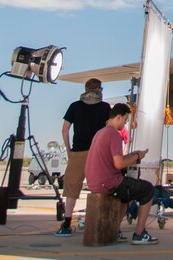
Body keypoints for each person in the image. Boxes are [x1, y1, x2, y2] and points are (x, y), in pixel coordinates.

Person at [84, 103, 158, 245]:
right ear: (118, 117)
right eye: (125, 120)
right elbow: (119, 163)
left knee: (125, 197)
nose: (125, 124)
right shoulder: (113, 135)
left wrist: (134, 155)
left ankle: (114, 230)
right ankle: (139, 233)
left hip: (95, 181)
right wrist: (137, 156)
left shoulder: (100, 133)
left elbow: (114, 159)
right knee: (148, 189)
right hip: (109, 183)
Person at [56, 77, 110, 236]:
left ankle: (66, 223)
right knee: (101, 188)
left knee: (72, 188)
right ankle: (102, 221)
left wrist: (69, 150)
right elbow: (110, 129)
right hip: (98, 152)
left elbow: (65, 129)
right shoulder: (105, 107)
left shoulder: (75, 106)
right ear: (99, 89)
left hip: (78, 151)